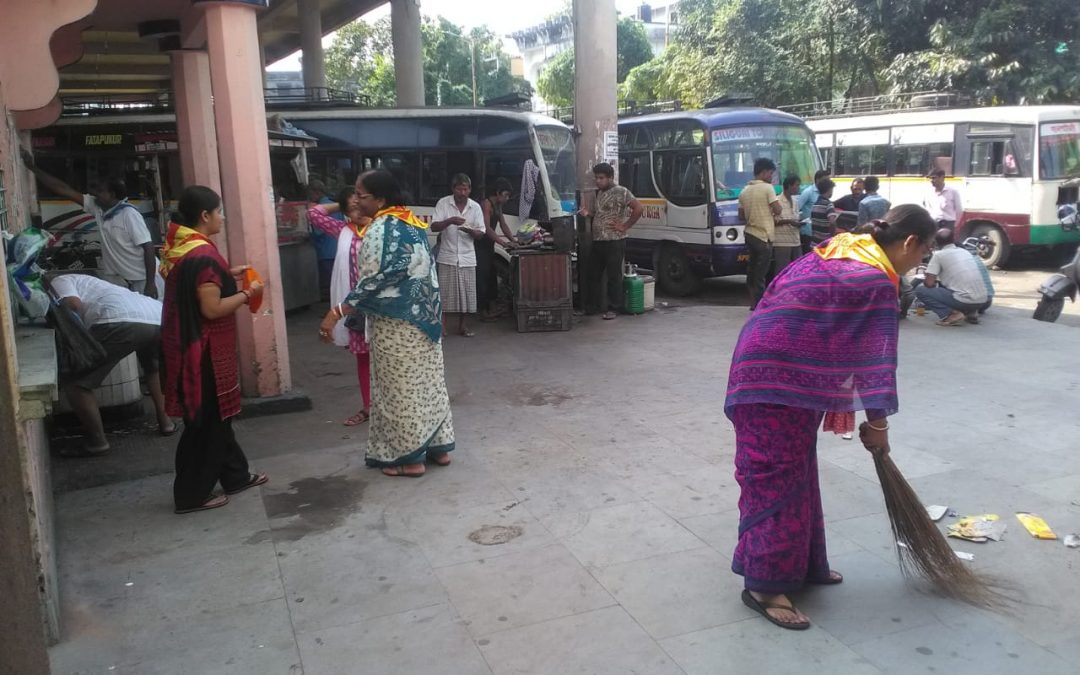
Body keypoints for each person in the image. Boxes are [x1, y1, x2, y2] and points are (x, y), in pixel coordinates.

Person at [725, 204, 936, 630]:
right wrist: (878, 424)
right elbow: (877, 362)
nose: (920, 263)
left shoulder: (841, 247)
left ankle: (801, 565)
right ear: (910, 242)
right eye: (924, 253)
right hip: (772, 380)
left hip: (777, 367)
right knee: (775, 476)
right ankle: (764, 585)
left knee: (798, 469)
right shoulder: (876, 277)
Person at [318, 170, 454, 478]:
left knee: (398, 390)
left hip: (396, 325)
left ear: (380, 199)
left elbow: (378, 279)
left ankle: (409, 459)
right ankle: (438, 449)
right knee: (429, 386)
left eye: (360, 194)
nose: (355, 199)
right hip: (426, 321)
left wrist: (338, 310)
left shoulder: (381, 228)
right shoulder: (412, 223)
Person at [160, 186, 268, 515]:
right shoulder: (202, 255)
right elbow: (212, 308)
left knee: (219, 418)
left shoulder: (184, 247)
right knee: (206, 423)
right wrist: (248, 293)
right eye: (218, 212)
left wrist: (227, 274)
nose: (222, 217)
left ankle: (235, 476)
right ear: (204, 216)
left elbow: (202, 285)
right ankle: (191, 494)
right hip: (202, 352)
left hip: (186, 343)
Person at [49, 273, 175, 456]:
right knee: (152, 368)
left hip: (119, 319)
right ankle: (167, 423)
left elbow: (73, 305)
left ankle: (97, 442)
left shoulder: (58, 281)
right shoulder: (90, 282)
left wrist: (53, 312)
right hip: (156, 316)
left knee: (75, 382)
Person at [22, 149, 163, 298]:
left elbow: (148, 247)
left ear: (112, 195)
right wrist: (33, 168)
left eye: (101, 191)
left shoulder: (129, 214)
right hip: (123, 280)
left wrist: (150, 283)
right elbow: (63, 189)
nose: (95, 194)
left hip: (144, 279)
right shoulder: (99, 208)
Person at [307, 188, 373, 426]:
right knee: (363, 358)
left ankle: (389, 407)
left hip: (379, 305)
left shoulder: (381, 228)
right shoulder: (343, 229)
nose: (357, 211)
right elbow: (313, 213)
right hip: (353, 308)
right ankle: (368, 408)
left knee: (386, 358)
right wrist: (341, 203)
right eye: (351, 208)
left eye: (360, 205)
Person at [581, 162, 643, 320]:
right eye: (596, 178)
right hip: (599, 241)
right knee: (592, 274)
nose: (598, 181)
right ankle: (591, 307)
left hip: (614, 241)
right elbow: (598, 214)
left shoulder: (621, 192)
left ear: (610, 177)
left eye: (601, 178)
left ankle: (614, 308)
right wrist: (587, 213)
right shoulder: (599, 193)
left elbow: (638, 208)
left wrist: (625, 226)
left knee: (614, 276)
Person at [432, 174, 485, 337]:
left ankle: (463, 326)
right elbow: (434, 227)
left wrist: (468, 230)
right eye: (460, 188)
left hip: (467, 257)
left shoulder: (475, 207)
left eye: (466, 189)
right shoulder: (443, 203)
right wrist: (450, 221)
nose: (463, 192)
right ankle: (442, 326)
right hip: (447, 256)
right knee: (445, 294)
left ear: (470, 190)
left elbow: (481, 233)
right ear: (453, 189)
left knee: (466, 295)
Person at [914, 228, 989, 326]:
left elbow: (929, 284)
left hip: (964, 299)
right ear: (953, 240)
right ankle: (971, 313)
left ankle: (951, 314)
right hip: (982, 300)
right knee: (957, 288)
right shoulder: (964, 252)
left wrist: (929, 274)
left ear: (935, 242)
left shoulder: (939, 255)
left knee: (921, 291)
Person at [738, 158, 781, 310]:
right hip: (763, 236)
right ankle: (761, 306)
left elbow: (741, 216)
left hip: (750, 234)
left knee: (752, 270)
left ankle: (753, 302)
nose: (771, 176)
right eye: (770, 173)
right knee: (761, 273)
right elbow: (778, 210)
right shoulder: (767, 188)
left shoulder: (744, 191)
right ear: (763, 172)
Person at [478, 178, 517, 319]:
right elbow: (486, 228)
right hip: (480, 245)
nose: (507, 198)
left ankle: (491, 308)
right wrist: (503, 243)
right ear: (498, 192)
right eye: (505, 195)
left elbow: (504, 225)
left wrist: (514, 241)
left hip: (489, 245)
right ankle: (483, 311)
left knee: (491, 277)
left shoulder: (498, 206)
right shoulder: (486, 204)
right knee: (482, 278)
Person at [307, 180, 341, 300]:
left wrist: (309, 235)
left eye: (310, 193)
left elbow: (318, 232)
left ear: (316, 192)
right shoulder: (334, 205)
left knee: (330, 283)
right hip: (337, 248)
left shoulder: (320, 209)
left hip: (326, 251)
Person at [772, 175, 803, 277]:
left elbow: (796, 217)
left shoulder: (795, 201)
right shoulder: (777, 201)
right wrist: (789, 221)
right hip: (782, 242)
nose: (798, 188)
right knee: (782, 271)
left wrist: (799, 223)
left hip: (795, 240)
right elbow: (773, 221)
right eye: (797, 185)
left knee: (798, 270)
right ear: (789, 186)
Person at [797, 170, 831, 253]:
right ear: (818, 180)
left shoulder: (825, 193)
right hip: (808, 232)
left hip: (821, 234)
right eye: (826, 180)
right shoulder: (808, 192)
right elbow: (796, 208)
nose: (828, 182)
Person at [810, 178, 839, 244]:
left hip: (814, 243)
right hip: (824, 244)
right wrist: (832, 236)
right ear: (829, 190)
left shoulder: (815, 204)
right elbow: (832, 222)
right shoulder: (828, 205)